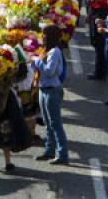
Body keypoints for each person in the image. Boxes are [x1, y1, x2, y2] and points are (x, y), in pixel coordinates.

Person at [33, 25, 69, 165]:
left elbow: (49, 71)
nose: (42, 37)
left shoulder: (54, 52)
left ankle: (62, 154)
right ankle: (49, 150)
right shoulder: (46, 51)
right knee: (48, 123)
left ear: (50, 36)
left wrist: (37, 61)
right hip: (43, 89)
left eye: (44, 34)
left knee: (55, 123)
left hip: (52, 91)